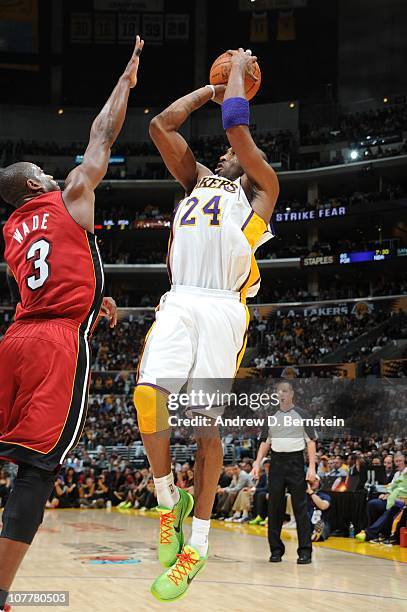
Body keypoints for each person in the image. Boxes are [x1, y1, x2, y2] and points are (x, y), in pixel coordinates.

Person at [0, 36, 144, 612]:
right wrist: (125, 82)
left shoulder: (11, 233)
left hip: (15, 337)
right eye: (42, 171)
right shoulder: (71, 194)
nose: (52, 174)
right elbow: (102, 135)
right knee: (36, 471)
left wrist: (94, 298)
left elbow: (54, 270)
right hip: (57, 344)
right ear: (36, 185)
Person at [134, 48, 279, 602]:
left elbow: (238, 130)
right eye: (222, 153)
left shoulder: (263, 189)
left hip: (221, 308)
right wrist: (210, 89)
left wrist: (238, 74)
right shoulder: (195, 179)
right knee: (148, 397)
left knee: (207, 428)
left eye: (234, 152)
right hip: (180, 299)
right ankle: (169, 503)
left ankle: (198, 545)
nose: (225, 153)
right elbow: (159, 125)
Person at [253, 380, 317, 564]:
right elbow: (265, 442)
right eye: (279, 391)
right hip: (276, 463)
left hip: (296, 462)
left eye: (285, 391)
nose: (282, 394)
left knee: (300, 508)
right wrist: (257, 463)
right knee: (274, 508)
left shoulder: (303, 415)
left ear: (292, 394)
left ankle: (305, 551)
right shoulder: (270, 416)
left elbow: (311, 442)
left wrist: (311, 467)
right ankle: (275, 550)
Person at [306, 477, 331, 542]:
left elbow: (323, 506)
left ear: (319, 483)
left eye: (316, 480)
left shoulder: (324, 496)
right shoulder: (304, 496)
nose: (313, 482)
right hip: (308, 524)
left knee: (323, 527)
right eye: (311, 481)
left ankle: (315, 535)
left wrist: (311, 492)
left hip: (321, 524)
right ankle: (312, 535)